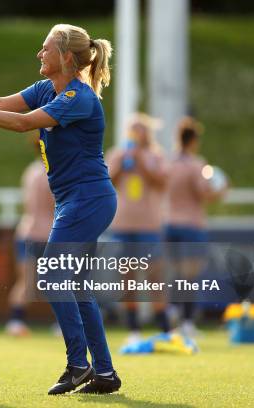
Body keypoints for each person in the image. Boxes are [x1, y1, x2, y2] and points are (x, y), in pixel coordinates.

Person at [0, 23, 121, 395]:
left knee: (53, 278)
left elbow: (22, 122)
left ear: (66, 57)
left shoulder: (79, 97)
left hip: (88, 199)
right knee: (75, 286)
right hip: (77, 200)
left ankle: (78, 365)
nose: (39, 54)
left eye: (45, 49)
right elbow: (6, 104)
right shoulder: (47, 88)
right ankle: (104, 373)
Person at [105, 113, 170, 344]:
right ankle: (132, 328)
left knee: (154, 277)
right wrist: (122, 165)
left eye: (139, 128)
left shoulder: (156, 156)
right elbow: (106, 181)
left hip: (149, 226)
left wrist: (141, 162)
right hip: (123, 225)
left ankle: (164, 328)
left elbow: (162, 182)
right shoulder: (118, 154)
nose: (135, 133)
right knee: (127, 279)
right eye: (132, 128)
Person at [164, 117, 227, 337]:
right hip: (191, 224)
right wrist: (222, 190)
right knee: (189, 275)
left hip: (169, 224)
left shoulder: (168, 163)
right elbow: (204, 194)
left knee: (175, 273)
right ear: (194, 141)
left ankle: (172, 311)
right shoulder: (196, 164)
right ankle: (187, 321)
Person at [6, 134, 55, 337]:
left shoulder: (31, 172)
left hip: (26, 231)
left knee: (25, 281)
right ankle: (62, 324)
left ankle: (16, 322)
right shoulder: (55, 173)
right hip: (49, 232)